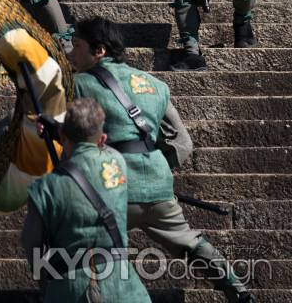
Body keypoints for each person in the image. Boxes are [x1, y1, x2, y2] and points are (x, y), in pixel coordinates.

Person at [71, 17, 255, 303]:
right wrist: (152, 167)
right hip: (158, 185)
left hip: (110, 188)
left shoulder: (78, 84)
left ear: (99, 50)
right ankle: (240, 292)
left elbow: (46, 127)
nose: (71, 54)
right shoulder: (155, 84)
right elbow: (183, 143)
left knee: (79, 251)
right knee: (189, 242)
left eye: (76, 46)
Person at [22, 97, 151, 302]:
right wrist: (61, 132)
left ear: (64, 136)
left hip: (68, 287)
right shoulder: (117, 162)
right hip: (123, 286)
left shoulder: (43, 188)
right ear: (102, 139)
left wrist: (44, 282)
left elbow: (32, 242)